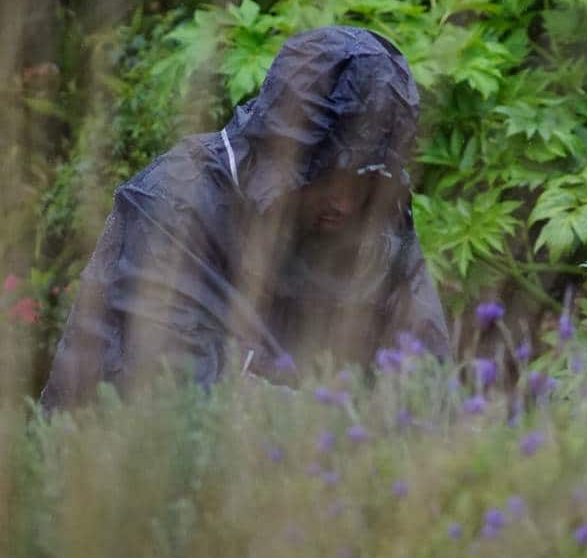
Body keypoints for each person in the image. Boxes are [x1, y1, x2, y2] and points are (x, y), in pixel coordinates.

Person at [41, 26, 447, 409]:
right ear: (282, 155)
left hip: (326, 464)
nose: (342, 202)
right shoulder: (177, 203)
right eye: (324, 177)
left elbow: (427, 379)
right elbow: (166, 388)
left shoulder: (379, 216)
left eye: (360, 180)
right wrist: (335, 419)